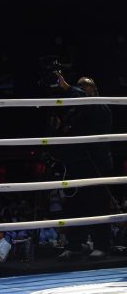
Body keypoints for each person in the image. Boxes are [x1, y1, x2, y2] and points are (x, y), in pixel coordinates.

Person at [53, 72, 114, 259]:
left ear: (94, 90)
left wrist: (69, 88)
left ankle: (102, 245)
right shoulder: (74, 112)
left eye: (85, 85)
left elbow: (88, 105)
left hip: (96, 165)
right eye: (79, 85)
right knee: (74, 207)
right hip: (75, 164)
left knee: (98, 205)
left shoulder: (100, 106)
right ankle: (75, 245)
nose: (82, 88)